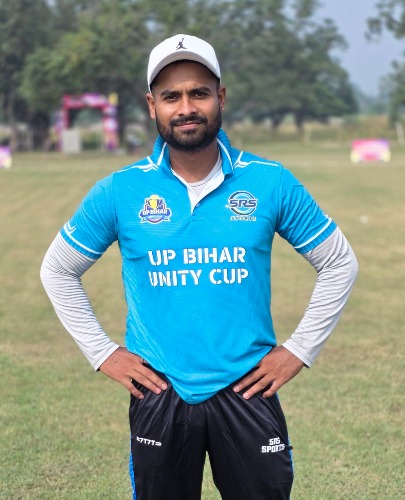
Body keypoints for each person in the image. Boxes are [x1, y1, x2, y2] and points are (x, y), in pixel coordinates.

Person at [41, 34, 358, 500]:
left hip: (248, 386)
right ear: (152, 106)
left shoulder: (269, 182)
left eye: (199, 93)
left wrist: (299, 350)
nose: (186, 107)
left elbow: (338, 262)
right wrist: (103, 353)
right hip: (160, 390)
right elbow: (58, 269)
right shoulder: (119, 191)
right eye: (171, 96)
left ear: (220, 98)